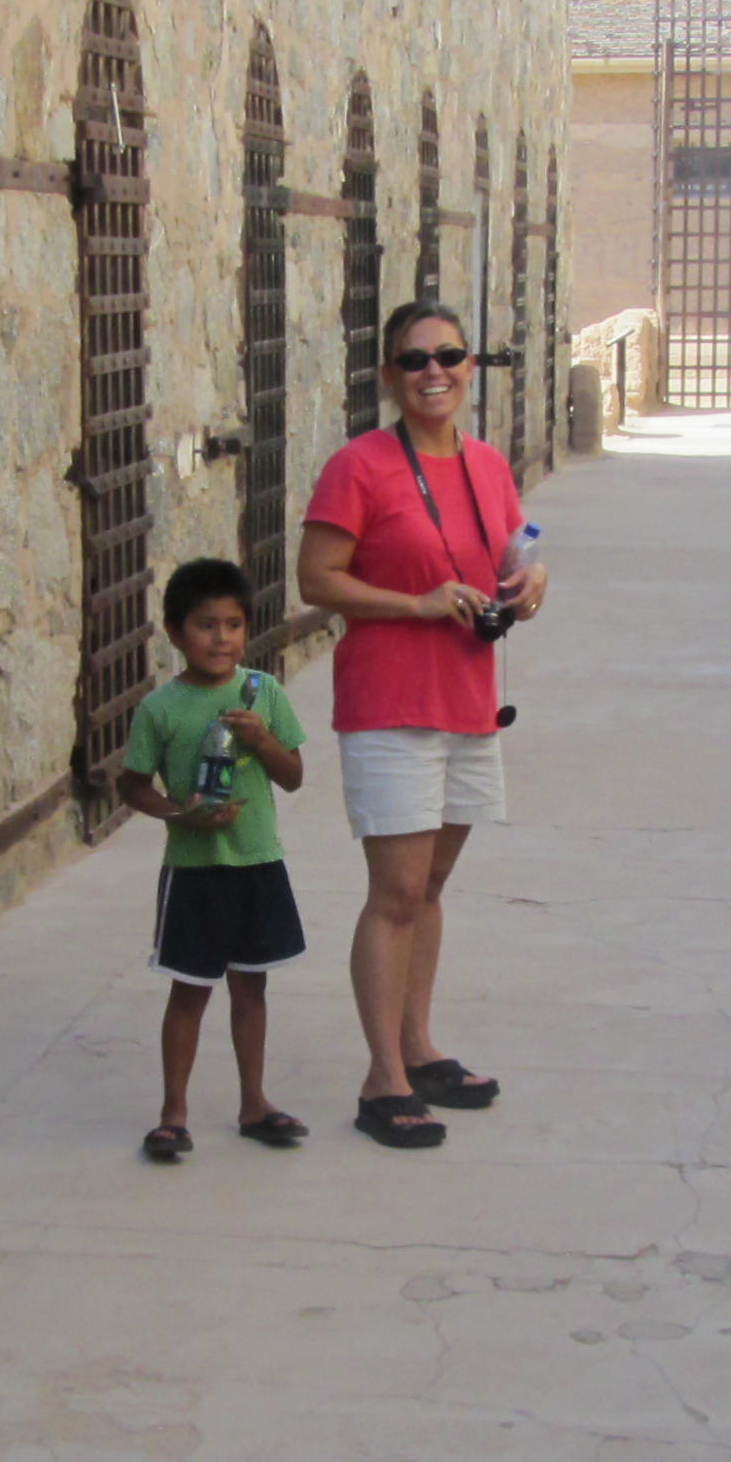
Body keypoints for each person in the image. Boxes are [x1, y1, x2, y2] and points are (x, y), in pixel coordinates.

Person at [293, 300, 546, 1151]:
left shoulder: (487, 464)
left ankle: (419, 1045)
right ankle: (382, 1081)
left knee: (431, 890)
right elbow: (316, 580)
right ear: (388, 377)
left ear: (470, 366)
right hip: (390, 704)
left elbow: (507, 555)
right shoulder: (358, 466)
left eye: (448, 355)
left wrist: (530, 580)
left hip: (468, 700)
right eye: (414, 360)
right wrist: (415, 603)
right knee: (396, 893)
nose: (433, 371)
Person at [113, 555, 313, 1160]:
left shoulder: (265, 693)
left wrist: (262, 740)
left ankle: (254, 1102)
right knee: (190, 992)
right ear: (175, 633)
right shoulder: (161, 708)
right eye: (204, 625)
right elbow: (132, 785)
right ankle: (174, 1113)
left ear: (246, 630)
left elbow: (294, 776)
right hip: (194, 872)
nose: (220, 638)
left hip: (257, 863)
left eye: (232, 624)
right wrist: (181, 813)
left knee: (251, 990)